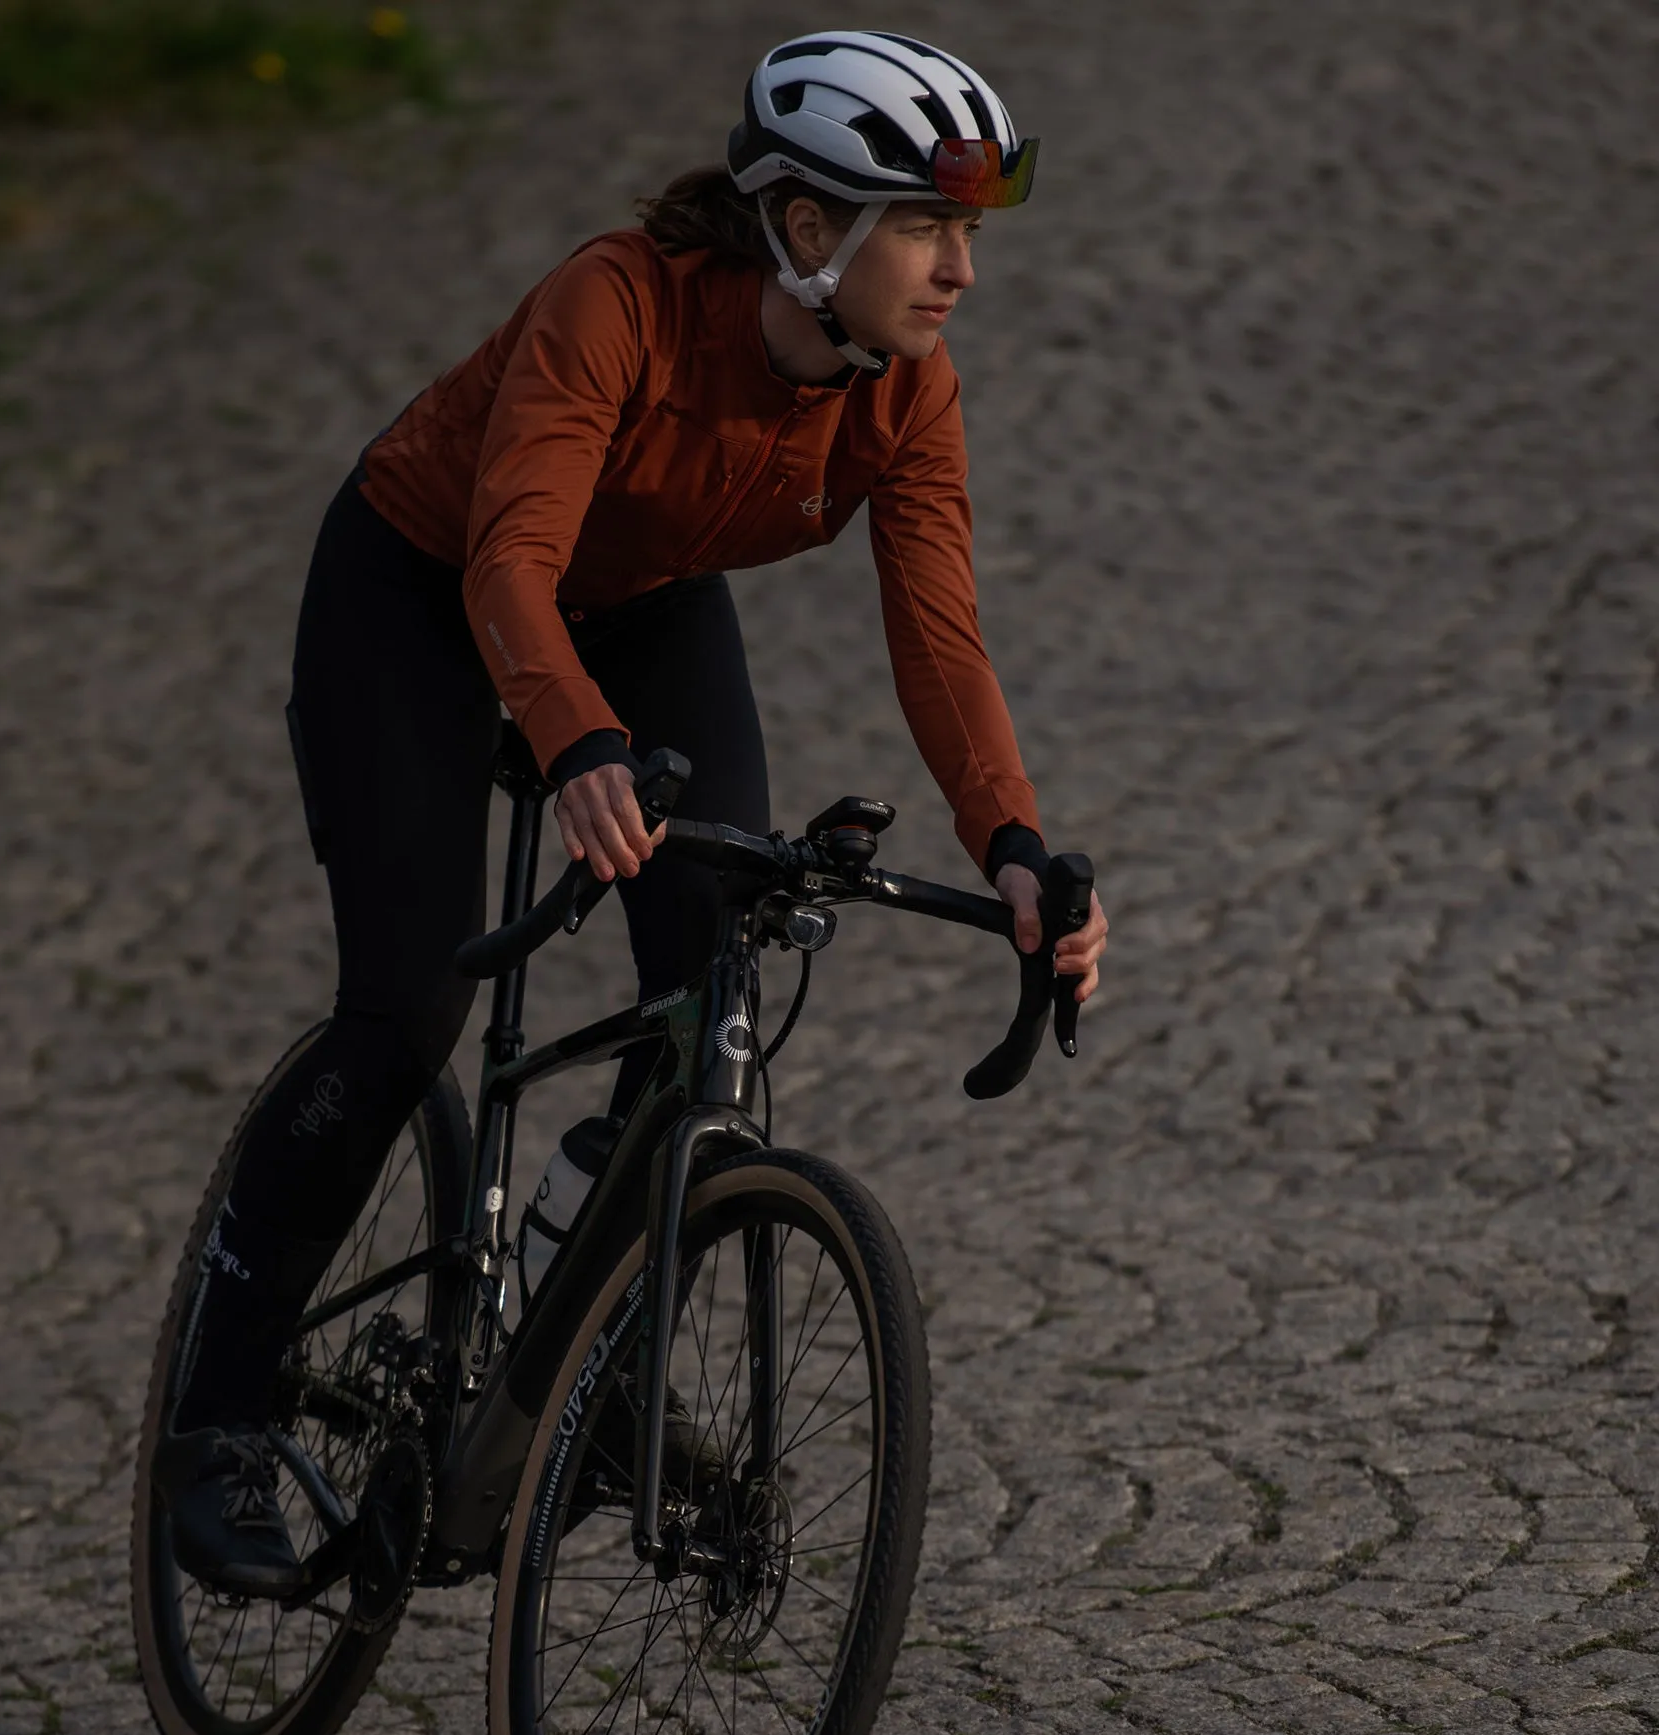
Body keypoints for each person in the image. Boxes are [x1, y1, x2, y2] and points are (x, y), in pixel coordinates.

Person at [158, 28, 1110, 1594]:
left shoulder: (904, 394)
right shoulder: (617, 305)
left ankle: (573, 1357)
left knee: (709, 1014)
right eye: (930, 229)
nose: (960, 273)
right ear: (809, 231)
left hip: (648, 606)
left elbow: (941, 638)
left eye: (972, 235)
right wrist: (576, 738)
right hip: (420, 586)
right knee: (406, 1012)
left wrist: (1013, 847)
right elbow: (507, 563)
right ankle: (220, 1417)